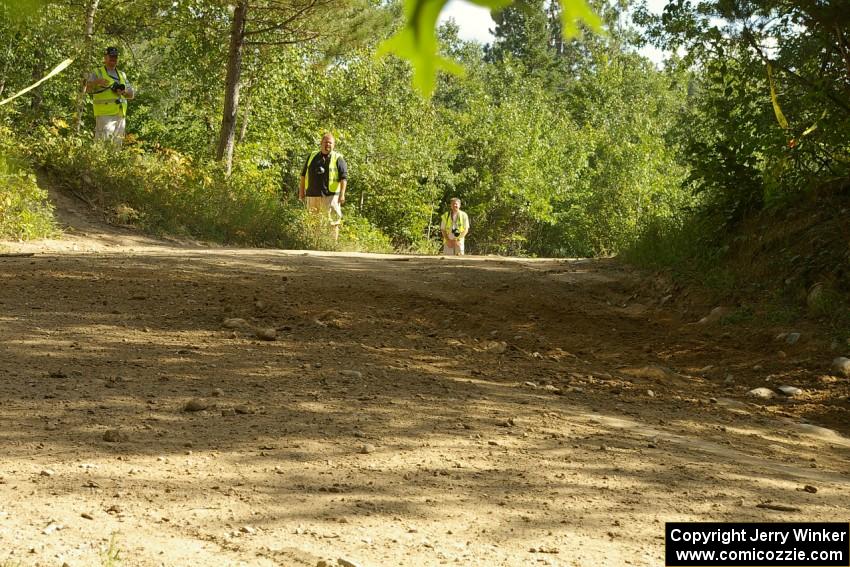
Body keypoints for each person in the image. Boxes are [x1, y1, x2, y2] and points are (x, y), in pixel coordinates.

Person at [299, 133, 348, 241]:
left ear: (334, 145)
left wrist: (342, 195)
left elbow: (343, 178)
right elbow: (303, 175)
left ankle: (332, 245)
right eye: (326, 142)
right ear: (321, 143)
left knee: (333, 222)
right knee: (313, 221)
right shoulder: (312, 156)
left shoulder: (338, 158)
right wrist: (301, 192)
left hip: (331, 196)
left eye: (330, 143)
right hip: (312, 195)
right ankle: (314, 244)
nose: (328, 145)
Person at [84, 46, 134, 147]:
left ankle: (113, 163)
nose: (113, 59)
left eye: (115, 57)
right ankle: (97, 163)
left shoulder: (122, 75)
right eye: (111, 56)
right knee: (102, 144)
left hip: (120, 115)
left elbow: (131, 94)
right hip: (104, 115)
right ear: (105, 57)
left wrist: (123, 92)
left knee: (117, 146)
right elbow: (84, 89)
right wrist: (96, 82)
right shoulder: (97, 72)